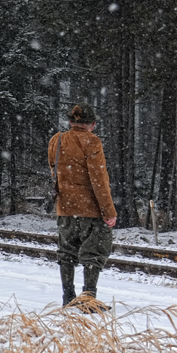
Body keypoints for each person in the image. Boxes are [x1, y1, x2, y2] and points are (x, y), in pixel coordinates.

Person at [48, 103, 117, 311]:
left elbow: (54, 169)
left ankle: (68, 296)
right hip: (90, 208)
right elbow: (99, 180)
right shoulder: (92, 142)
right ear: (92, 124)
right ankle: (88, 299)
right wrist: (109, 211)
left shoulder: (57, 140)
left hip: (65, 207)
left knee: (66, 252)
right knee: (93, 253)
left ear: (71, 121)